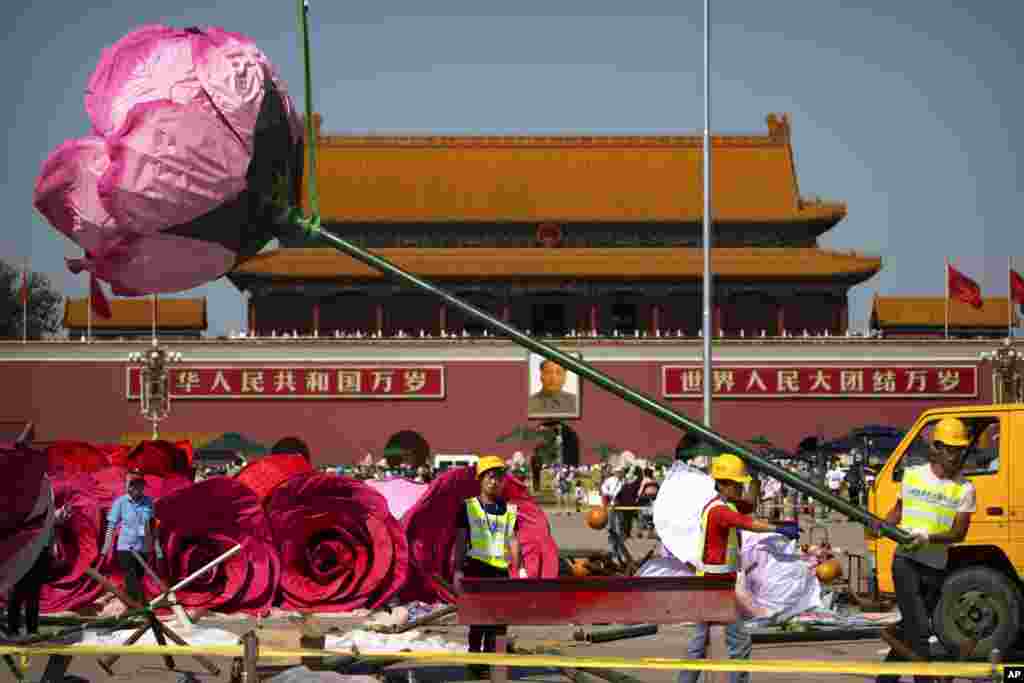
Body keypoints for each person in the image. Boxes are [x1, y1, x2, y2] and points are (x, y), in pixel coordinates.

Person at [682, 454, 801, 683]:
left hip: (712, 584)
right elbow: (748, 523)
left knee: (700, 643)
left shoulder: (726, 503)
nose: (739, 488)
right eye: (737, 484)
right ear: (723, 484)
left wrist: (755, 479)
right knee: (739, 643)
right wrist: (778, 529)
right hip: (715, 586)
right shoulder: (719, 510)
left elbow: (750, 506)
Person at [873, 418, 975, 683]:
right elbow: (898, 511)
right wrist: (882, 525)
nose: (956, 456)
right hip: (905, 561)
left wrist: (927, 538)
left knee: (909, 630)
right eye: (951, 449)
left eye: (960, 450)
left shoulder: (965, 489)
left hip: (935, 566)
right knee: (919, 629)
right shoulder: (913, 475)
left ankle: (885, 679)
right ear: (936, 448)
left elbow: (959, 533)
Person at [454, 456, 525, 679]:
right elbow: (461, 541)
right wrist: (458, 570)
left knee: (499, 620)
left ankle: (494, 662)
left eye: (499, 478)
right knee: (478, 621)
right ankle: (476, 663)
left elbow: (513, 540)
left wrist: (519, 570)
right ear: (481, 479)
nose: (495, 482)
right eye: (490, 477)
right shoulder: (468, 507)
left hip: (500, 572)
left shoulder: (510, 510)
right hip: (476, 569)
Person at [6, 486, 69, 639]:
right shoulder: (24, 501)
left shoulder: (46, 499)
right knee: (19, 592)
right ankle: (14, 630)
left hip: (41, 552)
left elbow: (51, 522)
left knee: (33, 593)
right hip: (25, 551)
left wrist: (60, 515)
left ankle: (32, 630)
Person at [100, 469, 161, 606]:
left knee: (138, 578)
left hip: (143, 548)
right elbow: (111, 525)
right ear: (129, 486)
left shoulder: (149, 502)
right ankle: (139, 606)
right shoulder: (120, 502)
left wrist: (157, 548)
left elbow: (153, 525)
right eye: (132, 484)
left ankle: (133, 607)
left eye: (140, 485)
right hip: (125, 548)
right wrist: (105, 547)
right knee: (130, 577)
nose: (137, 488)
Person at [600, 465, 628, 564]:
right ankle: (613, 553)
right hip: (610, 508)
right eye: (620, 472)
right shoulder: (610, 480)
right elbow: (603, 489)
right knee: (611, 530)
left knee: (619, 531)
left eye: (622, 472)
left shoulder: (623, 482)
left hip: (618, 508)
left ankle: (620, 553)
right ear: (616, 473)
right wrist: (609, 495)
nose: (621, 474)